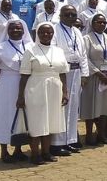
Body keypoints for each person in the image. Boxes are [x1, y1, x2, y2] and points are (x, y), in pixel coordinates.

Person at [17, 22, 68, 165]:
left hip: (55, 88)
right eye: (43, 32)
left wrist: (65, 92)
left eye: (49, 32)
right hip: (36, 89)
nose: (46, 35)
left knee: (51, 121)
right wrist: (20, 96)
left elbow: (63, 73)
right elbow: (24, 75)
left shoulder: (59, 50)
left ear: (53, 34)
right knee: (37, 122)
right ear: (37, 34)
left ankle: (46, 152)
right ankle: (35, 154)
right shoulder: (30, 51)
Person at [50, 5, 88, 155]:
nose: (71, 17)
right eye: (68, 15)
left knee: (73, 108)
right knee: (61, 106)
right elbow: (53, 51)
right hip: (62, 73)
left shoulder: (77, 31)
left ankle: (70, 140)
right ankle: (56, 143)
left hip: (77, 72)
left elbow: (83, 54)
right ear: (60, 16)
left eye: (73, 15)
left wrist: (85, 74)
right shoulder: (55, 30)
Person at [80, 14, 107, 146]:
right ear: (93, 23)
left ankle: (101, 133)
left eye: (104, 22)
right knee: (91, 105)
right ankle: (89, 134)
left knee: (105, 106)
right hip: (93, 76)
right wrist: (97, 73)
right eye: (99, 22)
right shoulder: (86, 38)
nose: (102, 25)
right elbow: (85, 58)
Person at [0, 20, 32, 162]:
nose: (16, 30)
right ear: (7, 31)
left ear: (24, 30)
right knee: (4, 115)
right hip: (6, 85)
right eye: (12, 28)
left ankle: (18, 149)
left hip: (27, 84)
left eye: (19, 28)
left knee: (22, 116)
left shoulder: (30, 46)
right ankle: (4, 151)